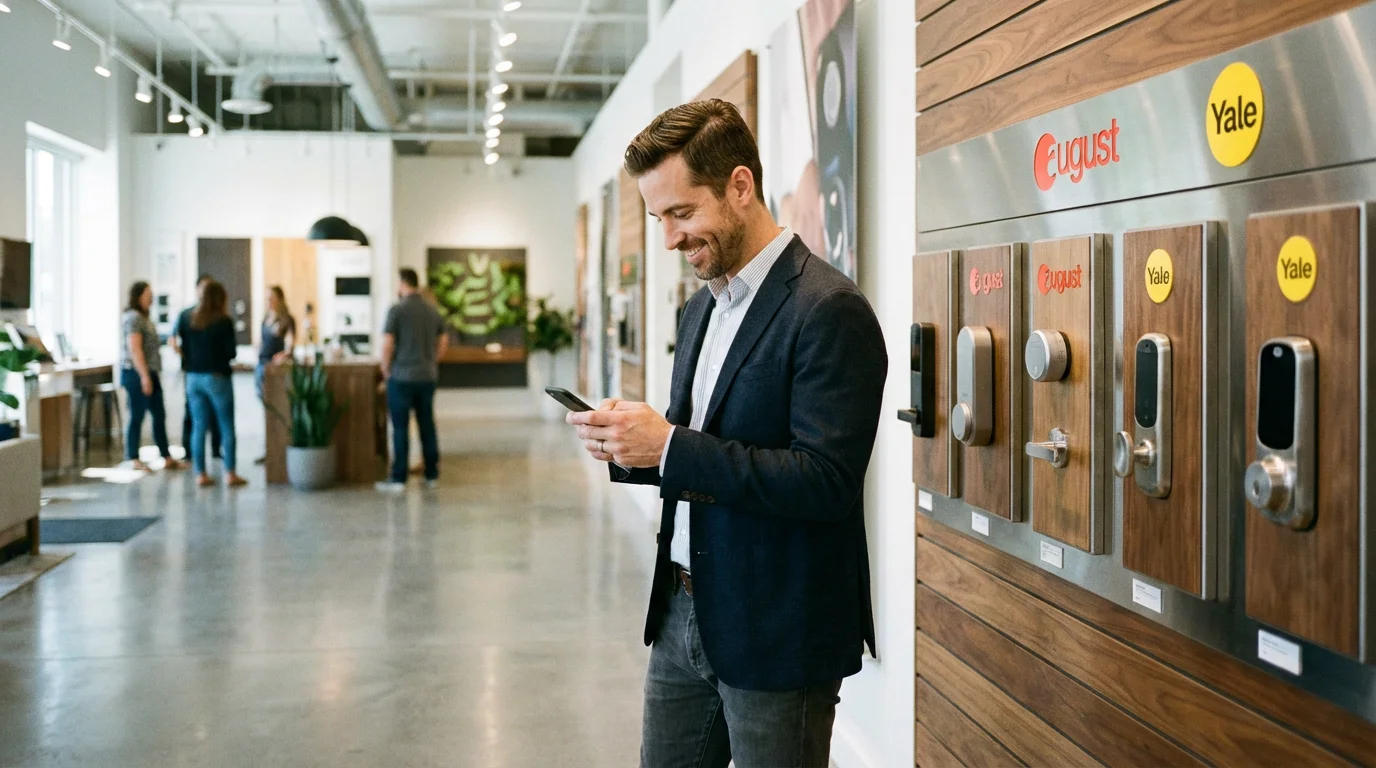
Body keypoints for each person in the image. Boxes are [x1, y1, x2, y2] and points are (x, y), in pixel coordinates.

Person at [566, 99, 887, 768]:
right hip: (683, 614)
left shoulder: (829, 310)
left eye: (681, 214)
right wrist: (627, 445)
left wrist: (671, 446)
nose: (669, 240)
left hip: (777, 628)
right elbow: (697, 445)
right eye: (659, 218)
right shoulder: (700, 309)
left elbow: (825, 482)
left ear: (741, 186)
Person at [376, 267, 447, 492]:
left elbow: (388, 344)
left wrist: (386, 369)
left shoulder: (396, 310)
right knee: (427, 424)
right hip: (427, 376)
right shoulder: (431, 310)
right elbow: (444, 340)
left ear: (402, 283)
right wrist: (433, 360)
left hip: (402, 377)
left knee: (400, 428)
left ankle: (399, 479)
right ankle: (431, 474)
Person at [177, 281, 246, 488]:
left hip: (193, 378)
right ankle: (230, 473)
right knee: (226, 426)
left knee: (198, 427)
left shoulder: (186, 317)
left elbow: (182, 347)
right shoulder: (223, 321)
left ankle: (200, 474)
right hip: (217, 377)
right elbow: (231, 352)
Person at [119, 281, 185, 471]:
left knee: (159, 414)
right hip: (136, 373)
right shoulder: (133, 318)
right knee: (137, 414)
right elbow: (135, 349)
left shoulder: (144, 318)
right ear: (138, 296)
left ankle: (166, 456)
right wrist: (144, 376)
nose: (152, 298)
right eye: (148, 294)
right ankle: (132, 457)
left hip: (150, 372)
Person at [171, 275, 221, 461]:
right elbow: (173, 338)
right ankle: (189, 452)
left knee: (214, 414)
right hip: (193, 372)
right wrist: (185, 356)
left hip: (209, 372)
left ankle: (216, 449)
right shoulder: (186, 314)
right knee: (193, 416)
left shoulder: (216, 317)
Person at [253, 286, 296, 465]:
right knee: (266, 409)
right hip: (261, 366)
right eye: (266, 297)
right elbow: (260, 341)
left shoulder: (286, 319)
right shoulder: (265, 318)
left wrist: (285, 354)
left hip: (275, 370)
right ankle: (270, 449)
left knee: (277, 408)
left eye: (271, 297)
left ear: (280, 298)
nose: (268, 301)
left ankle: (280, 447)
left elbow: (290, 344)